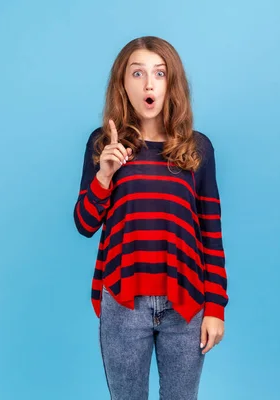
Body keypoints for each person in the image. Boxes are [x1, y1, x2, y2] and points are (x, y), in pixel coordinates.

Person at [73, 36, 228, 400]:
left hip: (186, 301)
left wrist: (216, 306)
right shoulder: (103, 144)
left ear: (170, 84)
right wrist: (104, 175)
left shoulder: (197, 148)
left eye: (159, 73)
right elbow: (84, 224)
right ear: (123, 83)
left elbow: (211, 233)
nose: (148, 83)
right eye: (137, 72)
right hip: (124, 299)